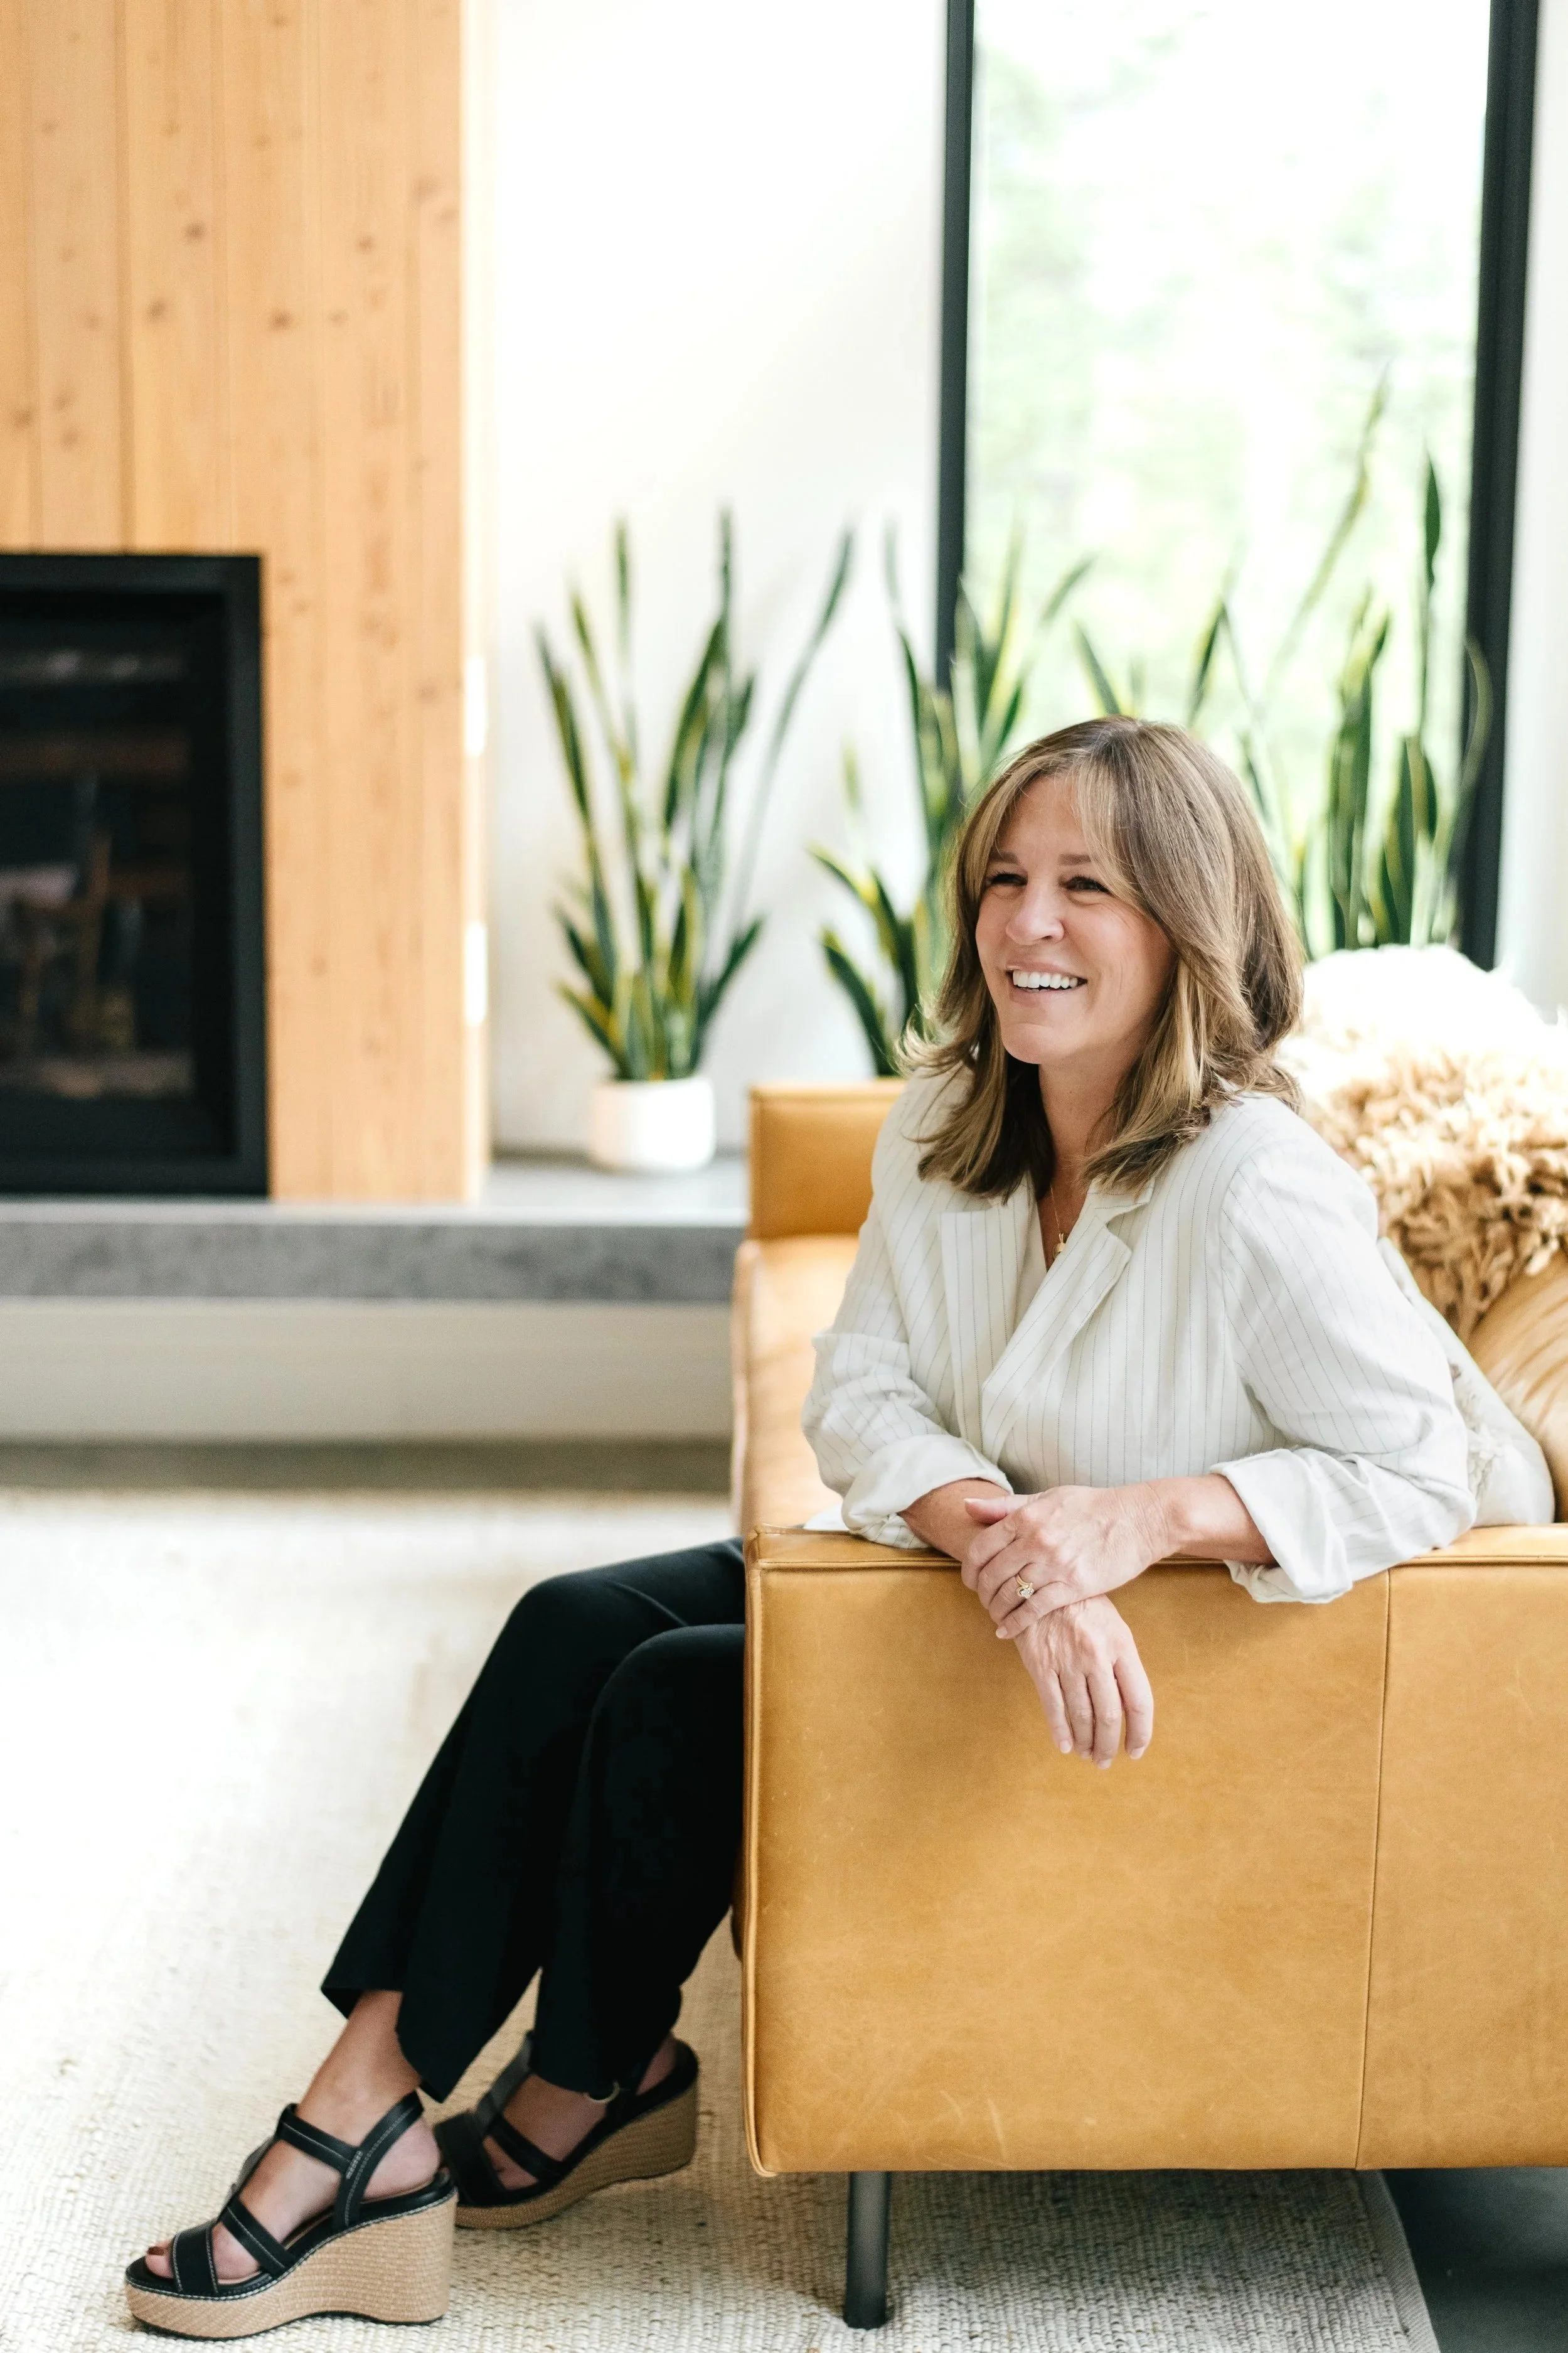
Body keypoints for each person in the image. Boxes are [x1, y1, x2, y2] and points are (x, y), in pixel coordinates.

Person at [126, 716, 1540, 2339]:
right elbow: (860, 1388)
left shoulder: (1255, 1189)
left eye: (1086, 885)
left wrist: (1127, 1527)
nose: (1026, 923)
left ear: (1188, 928)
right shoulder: (953, 1115)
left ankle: (493, 2104)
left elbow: (1421, 1471)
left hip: (1206, 1648)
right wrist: (1014, 1548)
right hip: (991, 1587)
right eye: (1003, 879)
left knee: (677, 1692)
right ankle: (396, 2092)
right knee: (570, 1622)